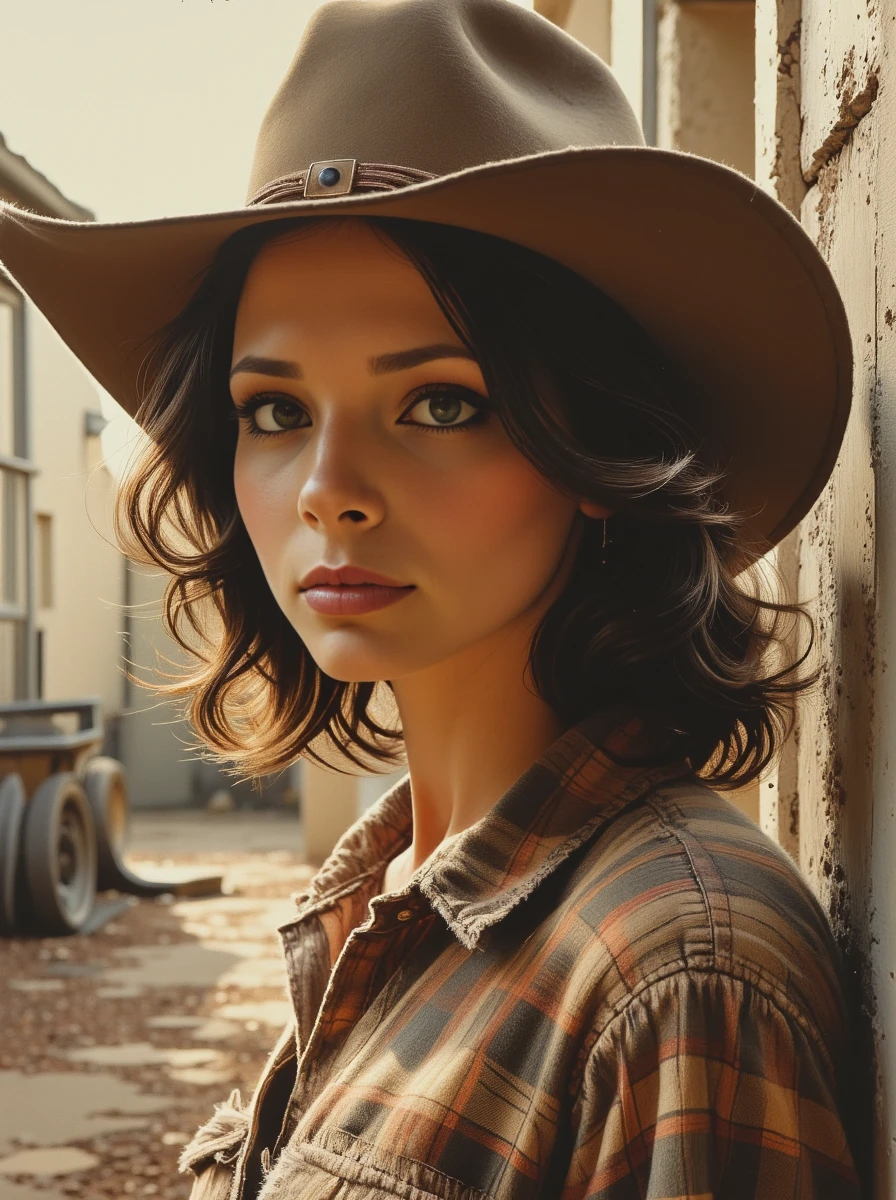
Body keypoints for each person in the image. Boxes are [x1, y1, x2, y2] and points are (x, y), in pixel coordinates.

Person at [0, 0, 862, 1196]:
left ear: (599, 455)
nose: (327, 492)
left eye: (439, 402)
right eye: (274, 410)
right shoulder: (389, 891)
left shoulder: (677, 971)